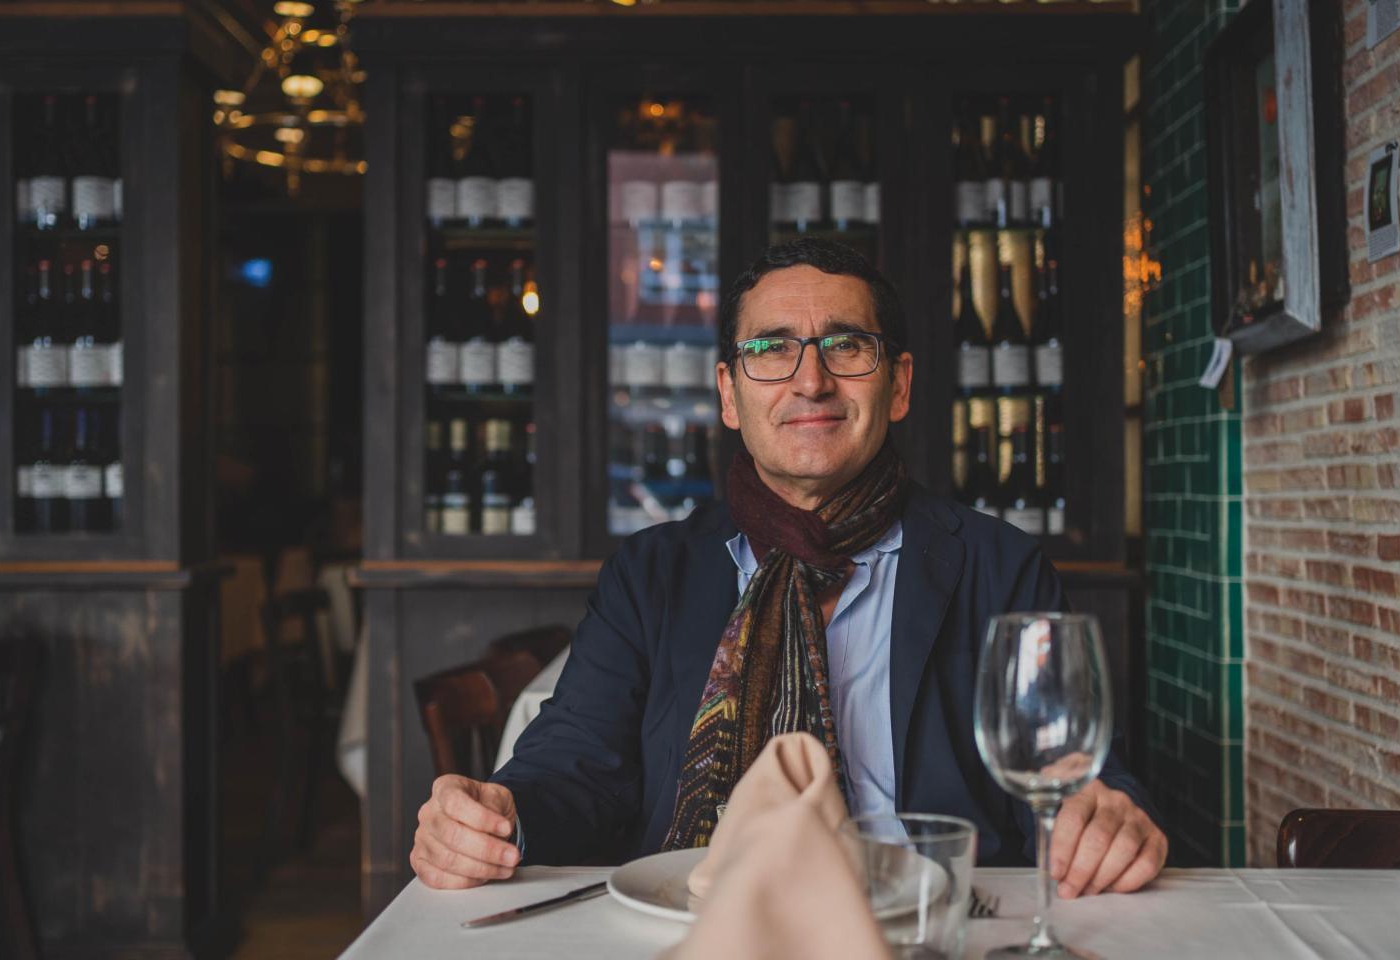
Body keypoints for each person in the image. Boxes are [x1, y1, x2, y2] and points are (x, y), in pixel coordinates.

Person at [412, 238, 1167, 900]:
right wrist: (495, 813)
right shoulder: (651, 575)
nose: (811, 381)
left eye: (846, 346)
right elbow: (574, 766)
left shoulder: (997, 566)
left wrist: (1108, 818)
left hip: (933, 930)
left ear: (897, 385)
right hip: (703, 923)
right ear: (729, 396)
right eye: (771, 349)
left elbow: (1079, 776)